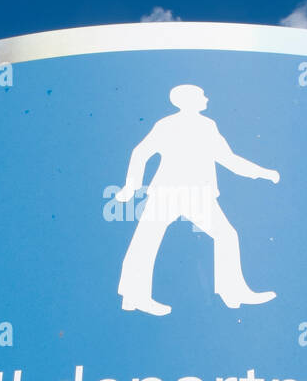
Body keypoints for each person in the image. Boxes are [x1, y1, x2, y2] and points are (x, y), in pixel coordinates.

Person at [115, 84, 280, 315]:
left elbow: (228, 159)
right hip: (168, 191)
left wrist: (262, 172)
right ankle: (134, 297)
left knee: (226, 235)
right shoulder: (167, 125)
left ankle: (233, 293)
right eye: (202, 95)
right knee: (146, 240)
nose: (206, 98)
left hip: (198, 194)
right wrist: (130, 187)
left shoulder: (207, 126)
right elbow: (141, 152)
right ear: (189, 101)